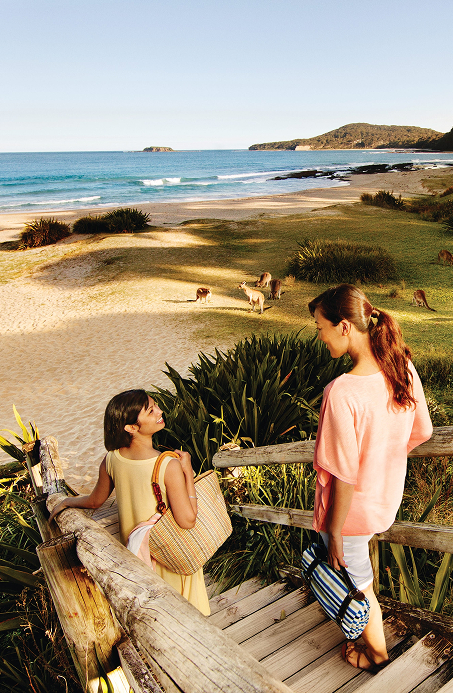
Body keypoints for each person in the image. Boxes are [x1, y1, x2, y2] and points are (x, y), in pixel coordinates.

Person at [308, 284, 432, 673]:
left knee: (360, 588)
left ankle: (376, 657)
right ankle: (363, 642)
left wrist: (337, 532)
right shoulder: (402, 367)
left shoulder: (342, 391)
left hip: (352, 516)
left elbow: (343, 473)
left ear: (345, 326)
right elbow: (422, 430)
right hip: (385, 500)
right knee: (359, 579)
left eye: (320, 327)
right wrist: (384, 456)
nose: (319, 336)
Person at [49, 389, 210, 616]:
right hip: (173, 553)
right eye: (151, 410)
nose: (159, 411)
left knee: (157, 618)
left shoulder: (112, 459)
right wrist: (188, 473)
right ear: (131, 428)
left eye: (156, 406)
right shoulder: (169, 466)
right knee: (188, 619)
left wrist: (67, 501)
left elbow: (95, 501)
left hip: (138, 558)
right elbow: (187, 520)